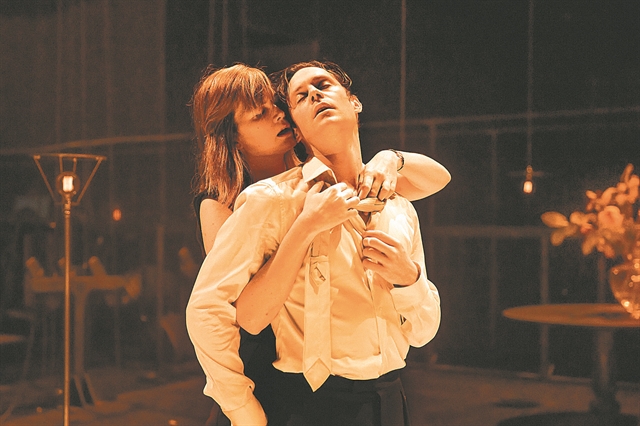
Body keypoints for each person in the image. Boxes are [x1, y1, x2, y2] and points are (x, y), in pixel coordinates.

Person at [189, 63, 450, 426]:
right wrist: (241, 408)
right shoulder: (257, 199)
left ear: (354, 101)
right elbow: (233, 311)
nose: (277, 115)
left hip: (386, 396)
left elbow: (440, 178)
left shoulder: (396, 205)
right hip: (278, 384)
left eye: (323, 85)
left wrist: (391, 158)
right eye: (261, 113)